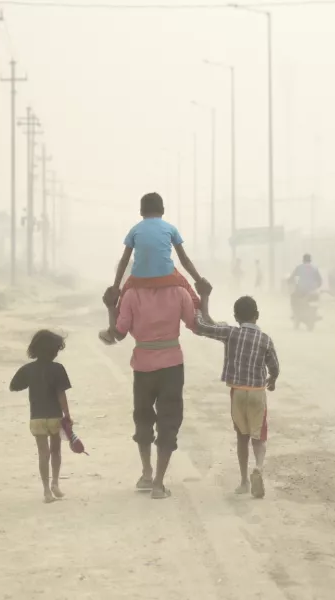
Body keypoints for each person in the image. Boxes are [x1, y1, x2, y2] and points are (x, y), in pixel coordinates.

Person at [112, 275, 200, 500]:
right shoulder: (179, 292)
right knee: (168, 420)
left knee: (142, 417)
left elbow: (118, 331)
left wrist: (109, 307)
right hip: (171, 365)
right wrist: (204, 297)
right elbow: (195, 323)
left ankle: (146, 473)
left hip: (142, 365)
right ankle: (159, 483)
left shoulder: (131, 294)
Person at [194, 293, 279, 499]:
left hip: (238, 392)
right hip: (258, 393)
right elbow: (274, 366)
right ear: (257, 315)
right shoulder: (265, 339)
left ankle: (243, 482)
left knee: (242, 437)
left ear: (236, 317)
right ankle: (258, 467)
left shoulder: (230, 333)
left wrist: (196, 311)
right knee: (259, 436)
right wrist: (273, 380)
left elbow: (203, 328)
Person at [100, 192, 210, 345]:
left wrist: (116, 287)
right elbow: (184, 260)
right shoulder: (170, 228)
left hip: (139, 278)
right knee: (192, 297)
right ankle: (205, 316)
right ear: (163, 210)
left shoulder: (135, 230)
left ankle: (114, 330)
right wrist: (199, 281)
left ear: (141, 212)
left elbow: (125, 260)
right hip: (168, 276)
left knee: (122, 301)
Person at [9, 330, 73, 504]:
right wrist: (67, 415)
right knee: (56, 451)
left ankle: (46, 490)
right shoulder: (58, 369)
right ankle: (55, 484)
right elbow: (61, 395)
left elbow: (14, 386)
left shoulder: (28, 369)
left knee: (43, 453)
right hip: (55, 417)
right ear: (54, 350)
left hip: (36, 417)